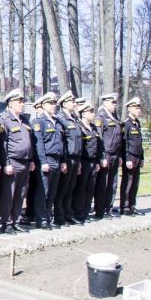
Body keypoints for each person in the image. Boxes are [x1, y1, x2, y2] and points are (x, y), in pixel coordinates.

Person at [0, 89, 35, 235]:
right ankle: (6, 223)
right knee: (9, 194)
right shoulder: (4, 119)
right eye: (19, 102)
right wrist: (6, 163)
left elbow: (29, 141)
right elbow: (3, 144)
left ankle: (16, 221)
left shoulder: (24, 120)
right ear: (11, 103)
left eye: (23, 101)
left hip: (25, 162)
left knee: (21, 193)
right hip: (12, 162)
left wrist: (31, 159)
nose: (22, 104)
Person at [31, 92, 67, 229]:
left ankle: (48, 216)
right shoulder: (39, 122)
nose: (53, 106)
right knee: (43, 191)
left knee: (52, 191)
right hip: (46, 160)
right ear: (43, 105)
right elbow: (39, 144)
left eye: (54, 104)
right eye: (50, 104)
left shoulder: (58, 122)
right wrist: (43, 161)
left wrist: (63, 161)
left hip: (57, 160)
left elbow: (61, 143)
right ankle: (41, 219)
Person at [54, 91, 83, 226]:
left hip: (76, 158)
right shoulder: (61, 119)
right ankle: (59, 217)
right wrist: (64, 161)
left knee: (70, 189)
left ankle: (68, 214)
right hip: (67, 158)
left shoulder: (74, 119)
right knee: (62, 190)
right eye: (72, 102)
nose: (75, 104)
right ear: (65, 104)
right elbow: (62, 142)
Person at [73, 103, 105, 222]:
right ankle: (78, 213)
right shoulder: (79, 127)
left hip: (93, 162)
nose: (93, 114)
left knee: (90, 188)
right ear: (84, 113)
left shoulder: (93, 127)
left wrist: (97, 161)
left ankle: (86, 212)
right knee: (81, 189)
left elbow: (97, 145)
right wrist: (79, 163)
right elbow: (80, 147)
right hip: (84, 162)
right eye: (90, 112)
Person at [94, 93, 123, 220]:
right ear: (105, 102)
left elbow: (119, 138)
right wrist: (101, 156)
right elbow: (99, 138)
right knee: (103, 184)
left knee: (113, 183)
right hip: (106, 154)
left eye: (115, 103)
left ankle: (109, 208)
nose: (115, 105)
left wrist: (120, 155)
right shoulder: (100, 117)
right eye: (112, 102)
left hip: (115, 154)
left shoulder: (114, 117)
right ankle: (100, 210)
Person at [120, 97, 144, 216]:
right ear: (130, 108)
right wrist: (127, 159)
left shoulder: (137, 123)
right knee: (128, 182)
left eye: (139, 107)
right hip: (130, 157)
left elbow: (139, 142)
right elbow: (125, 144)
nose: (138, 110)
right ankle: (125, 207)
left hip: (137, 157)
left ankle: (132, 205)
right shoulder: (126, 124)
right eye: (136, 107)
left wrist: (142, 158)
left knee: (135, 183)